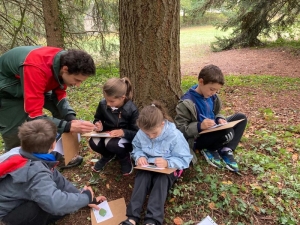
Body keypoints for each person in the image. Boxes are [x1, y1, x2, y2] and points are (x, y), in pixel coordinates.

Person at [0, 46, 96, 167]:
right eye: (76, 80)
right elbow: (34, 116)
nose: (77, 85)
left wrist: (70, 118)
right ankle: (14, 168)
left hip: (36, 84)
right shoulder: (35, 67)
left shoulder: (64, 60)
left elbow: (59, 95)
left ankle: (57, 155)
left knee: (63, 116)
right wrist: (67, 126)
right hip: (8, 92)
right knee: (15, 133)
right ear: (65, 69)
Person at [0, 119, 106, 225]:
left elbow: (56, 177)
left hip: (9, 199)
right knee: (46, 207)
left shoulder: (20, 152)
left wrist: (83, 197)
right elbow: (56, 204)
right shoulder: (36, 172)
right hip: (6, 216)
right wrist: (85, 198)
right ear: (52, 145)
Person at [120, 101, 192, 225]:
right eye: (147, 134)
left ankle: (152, 220)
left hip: (167, 169)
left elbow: (184, 158)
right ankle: (132, 218)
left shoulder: (174, 135)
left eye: (154, 133)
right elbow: (136, 147)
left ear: (162, 124)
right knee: (142, 177)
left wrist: (167, 162)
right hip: (148, 166)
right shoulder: (142, 133)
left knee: (161, 181)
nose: (151, 136)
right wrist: (140, 156)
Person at [174, 64, 247, 172]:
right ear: (201, 82)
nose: (214, 93)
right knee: (228, 132)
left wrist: (219, 119)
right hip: (199, 138)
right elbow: (179, 128)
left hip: (214, 129)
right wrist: (199, 126)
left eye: (216, 91)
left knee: (241, 118)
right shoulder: (187, 102)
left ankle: (227, 149)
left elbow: (217, 113)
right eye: (212, 89)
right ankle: (210, 149)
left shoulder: (212, 97)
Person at [89, 77, 139, 175]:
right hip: (107, 134)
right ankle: (108, 155)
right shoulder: (103, 104)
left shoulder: (131, 110)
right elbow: (97, 118)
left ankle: (125, 158)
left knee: (112, 144)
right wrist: (98, 125)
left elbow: (137, 132)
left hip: (124, 139)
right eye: (106, 100)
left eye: (111, 101)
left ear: (122, 98)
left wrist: (123, 132)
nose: (108, 103)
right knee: (93, 142)